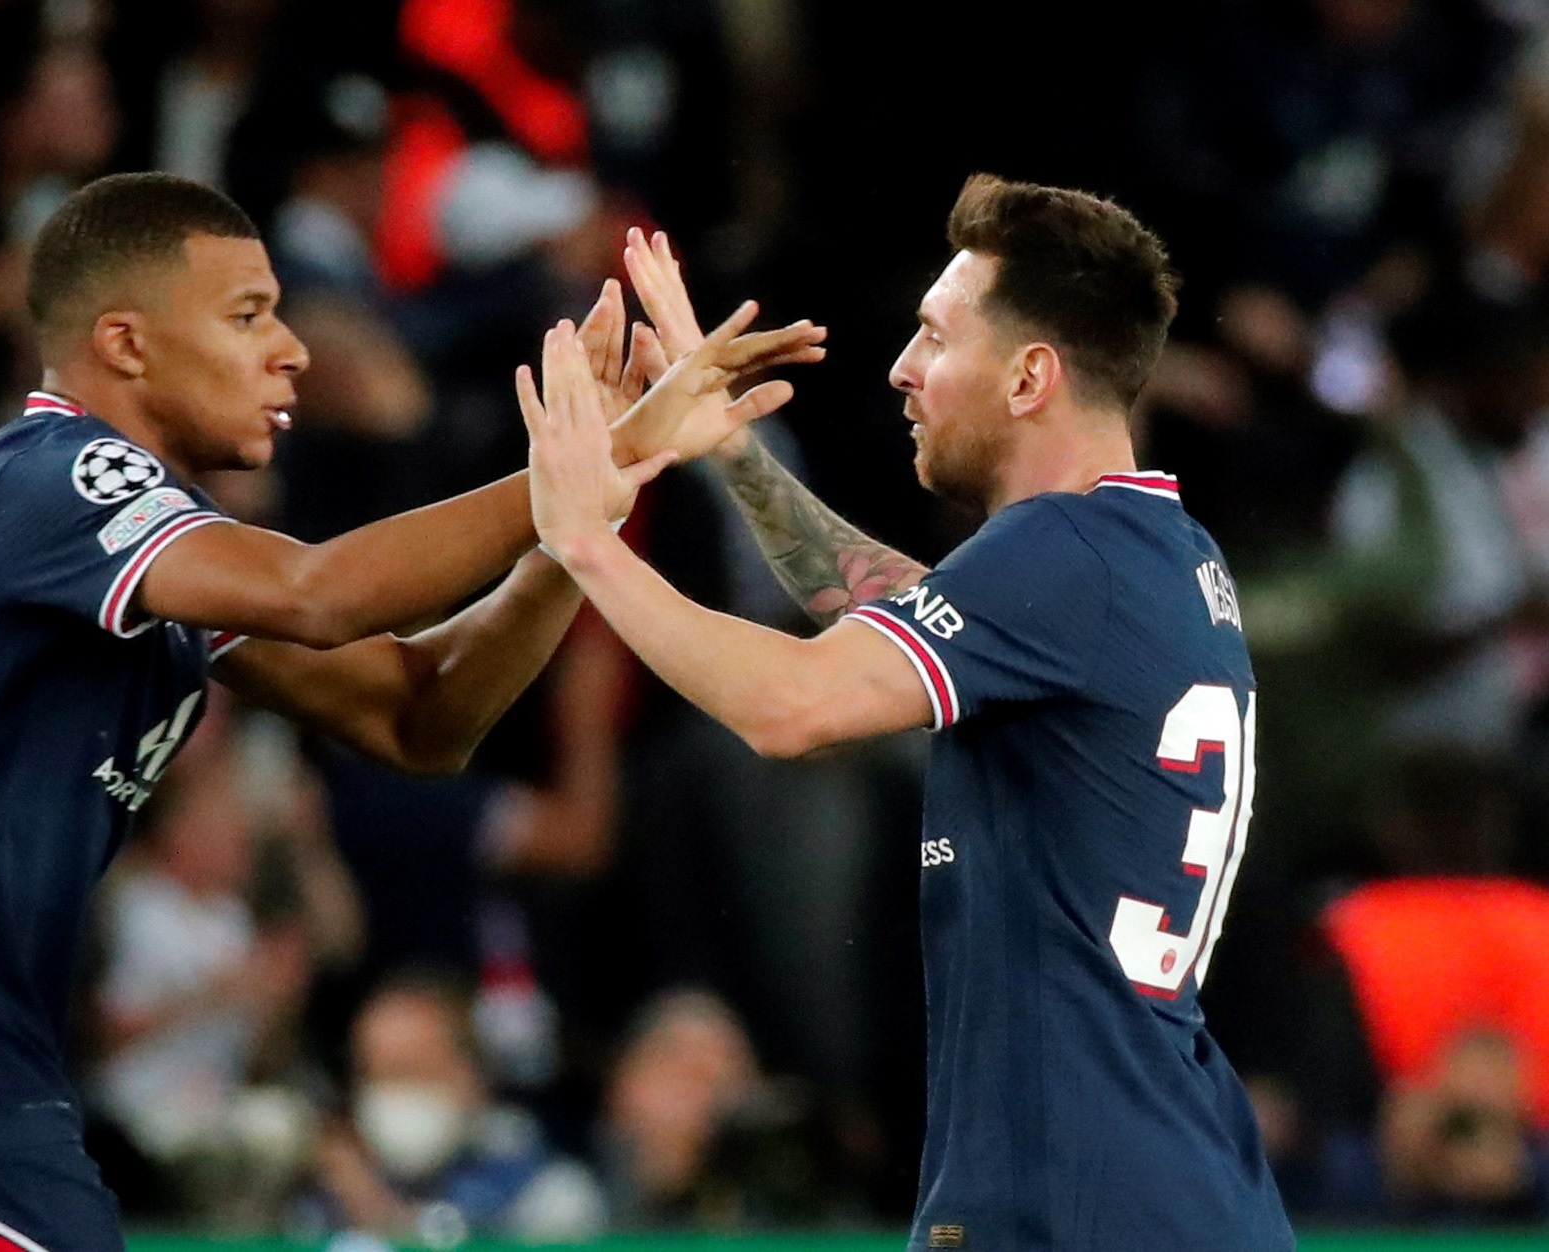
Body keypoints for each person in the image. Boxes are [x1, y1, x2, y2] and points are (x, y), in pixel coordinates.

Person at [0, 170, 825, 1252]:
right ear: (125, 341)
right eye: (248, 314)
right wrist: (599, 451)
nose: (289, 350)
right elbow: (320, 593)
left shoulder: (155, 561)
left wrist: (578, 525)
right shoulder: (50, 477)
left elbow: (418, 717)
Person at [523, 179, 1294, 1249]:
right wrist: (733, 453)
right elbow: (897, 607)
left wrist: (586, 541)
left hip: (1075, 1203)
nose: (901, 369)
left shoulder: (1057, 554)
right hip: (1160, 1180)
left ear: (1030, 376)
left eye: (934, 335)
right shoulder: (1156, 554)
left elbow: (789, 706)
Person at [299, 971, 605, 1244]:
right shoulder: (324, 1193)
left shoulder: (550, 1194)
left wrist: (380, 1214)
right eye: (373, 1075)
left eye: (411, 1071)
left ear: (471, 1075)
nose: (391, 1094)